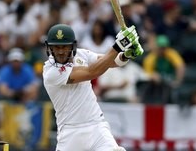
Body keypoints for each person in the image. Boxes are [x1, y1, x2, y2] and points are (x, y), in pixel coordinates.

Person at [42, 23, 143, 151]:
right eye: (56, 47)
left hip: (97, 126)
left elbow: (109, 61)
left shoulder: (81, 54)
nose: (61, 52)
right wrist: (119, 45)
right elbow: (92, 72)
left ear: (72, 46)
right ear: (49, 48)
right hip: (70, 133)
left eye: (64, 47)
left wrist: (126, 54)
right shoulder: (51, 72)